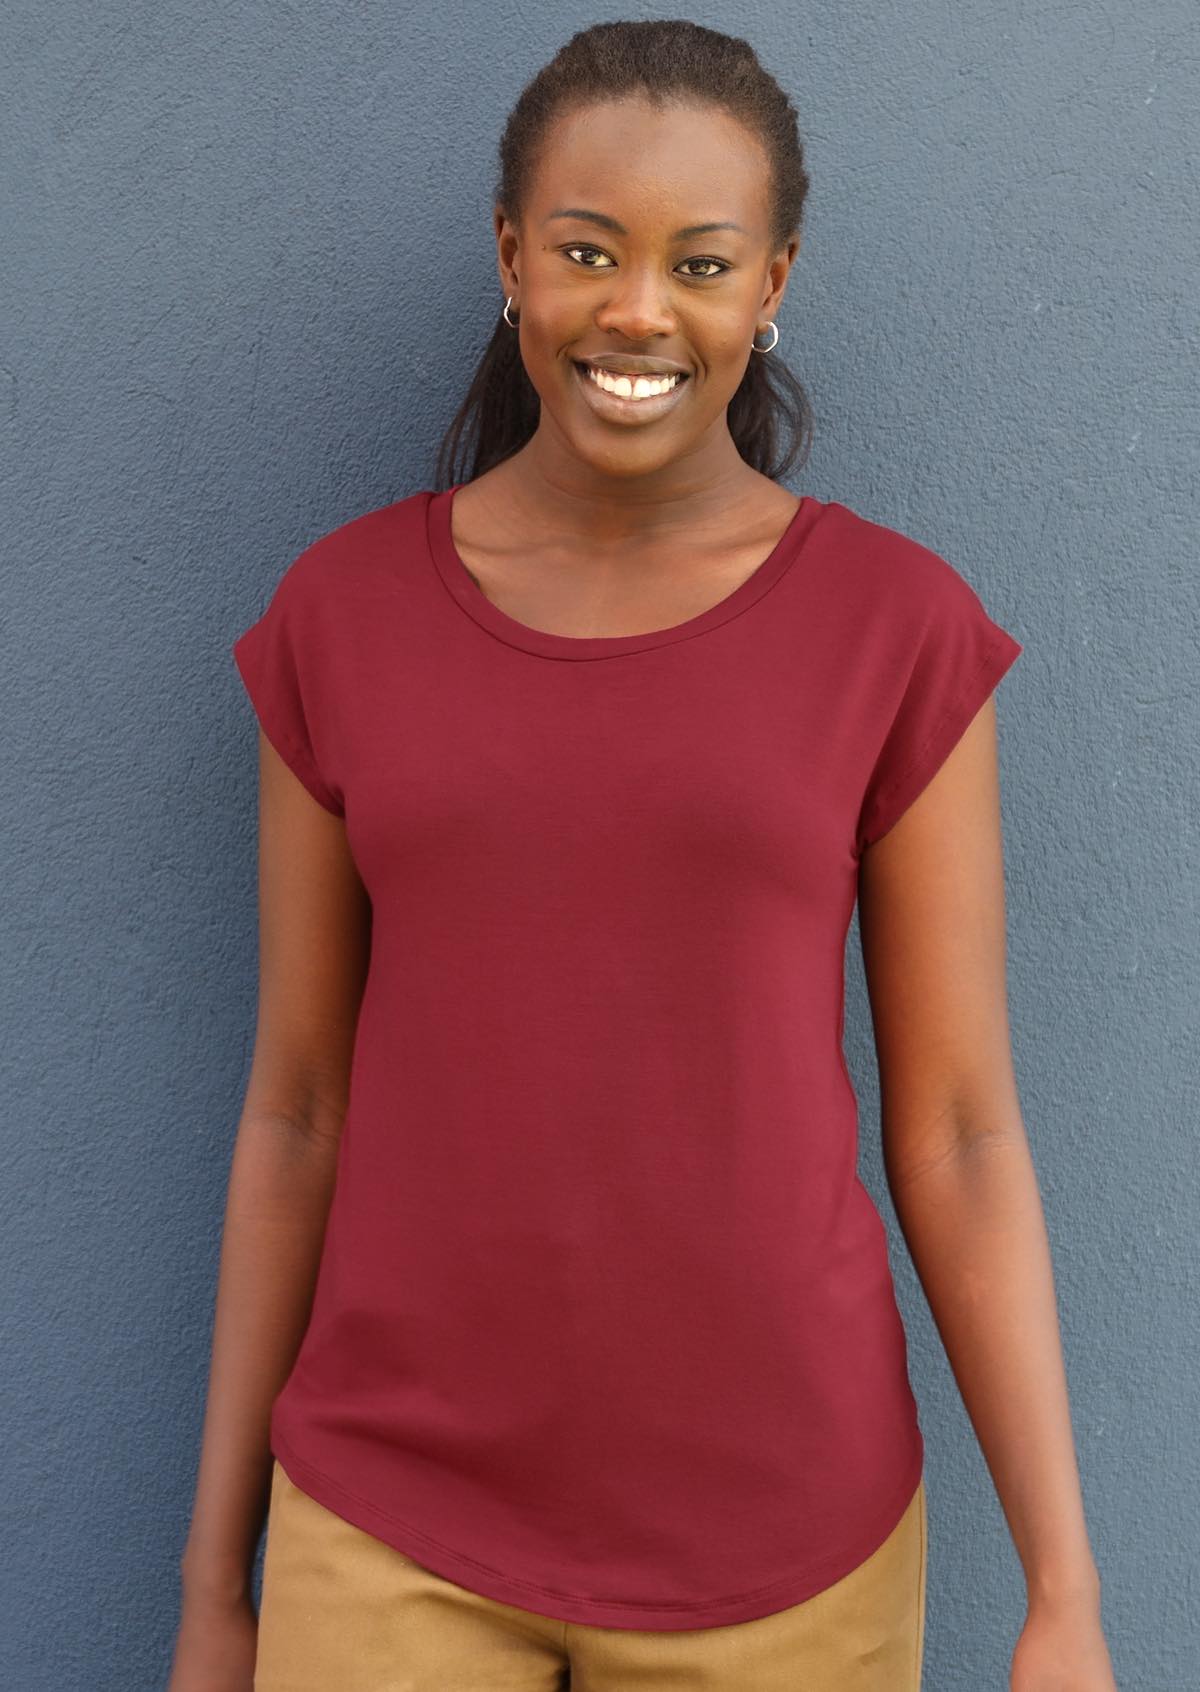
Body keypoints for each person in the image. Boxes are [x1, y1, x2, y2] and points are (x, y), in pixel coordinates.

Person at [170, 19, 1119, 1692]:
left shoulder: (893, 630)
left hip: (786, 1545)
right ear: (512, 257)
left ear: (771, 286)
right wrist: (214, 1585)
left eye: (700, 262)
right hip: (392, 1523)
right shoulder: (342, 619)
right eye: (590, 252)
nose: (637, 311)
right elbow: (296, 1107)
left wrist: (1065, 1593)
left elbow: (964, 1133)